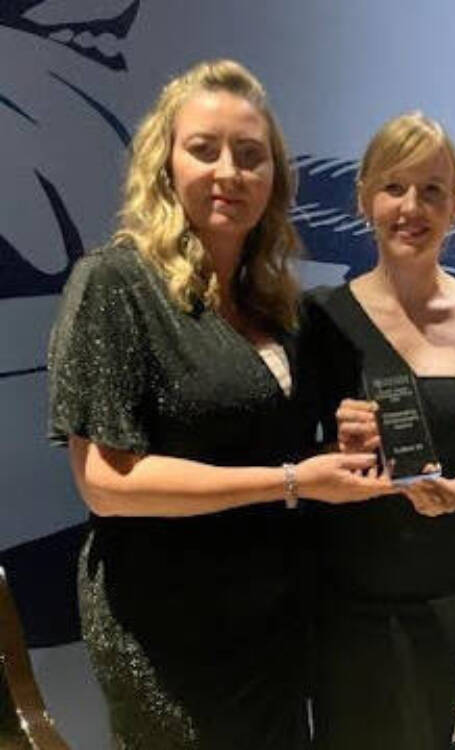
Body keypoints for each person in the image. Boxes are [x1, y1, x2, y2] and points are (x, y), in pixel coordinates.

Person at [47, 59, 391, 749]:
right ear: (164, 163)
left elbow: (282, 441)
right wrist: (292, 482)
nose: (229, 172)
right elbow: (108, 484)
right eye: (204, 149)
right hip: (170, 634)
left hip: (274, 623)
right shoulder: (116, 284)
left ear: (274, 179)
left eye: (250, 155)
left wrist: (343, 439)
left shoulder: (277, 304)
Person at [302, 112, 455, 750]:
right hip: (343, 593)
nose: (411, 207)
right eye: (394, 187)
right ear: (366, 195)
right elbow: (295, 468)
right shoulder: (321, 318)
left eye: (431, 190)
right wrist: (333, 449)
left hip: (440, 595)